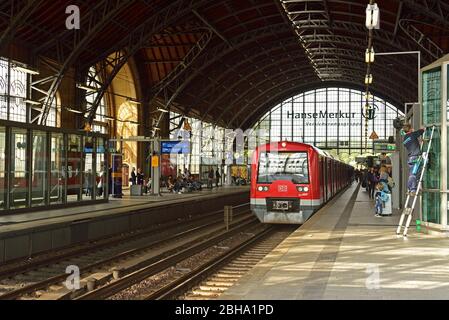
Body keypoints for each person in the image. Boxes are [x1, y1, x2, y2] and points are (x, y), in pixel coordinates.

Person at [402, 123, 425, 196]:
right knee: (414, 174)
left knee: (414, 173)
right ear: (410, 129)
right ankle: (412, 189)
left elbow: (412, 143)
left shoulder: (405, 138)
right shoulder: (412, 134)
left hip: (410, 158)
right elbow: (421, 131)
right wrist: (422, 128)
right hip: (416, 157)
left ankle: (412, 188)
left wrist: (419, 142)